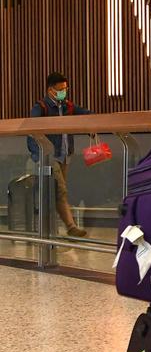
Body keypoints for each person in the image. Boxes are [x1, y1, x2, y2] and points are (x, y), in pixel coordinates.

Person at [26, 71, 92, 238]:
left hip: (64, 156)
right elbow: (32, 131)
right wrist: (38, 155)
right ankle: (70, 227)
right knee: (60, 190)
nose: (64, 92)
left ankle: (51, 230)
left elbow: (87, 114)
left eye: (65, 88)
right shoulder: (41, 107)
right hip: (49, 156)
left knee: (55, 193)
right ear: (50, 90)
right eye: (60, 89)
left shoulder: (68, 106)